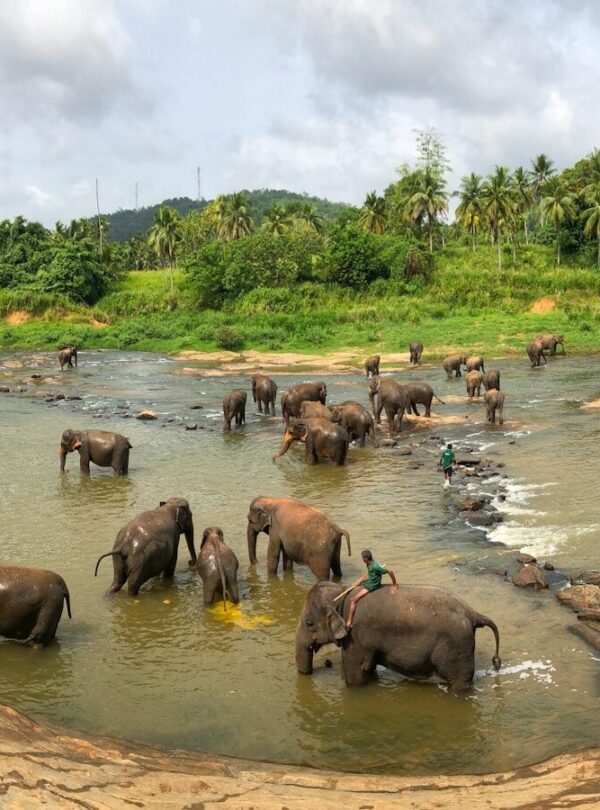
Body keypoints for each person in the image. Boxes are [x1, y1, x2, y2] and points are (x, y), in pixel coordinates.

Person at [345, 549, 397, 629]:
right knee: (360, 580)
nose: (362, 559)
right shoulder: (370, 563)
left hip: (371, 585)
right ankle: (360, 581)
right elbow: (370, 574)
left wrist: (394, 584)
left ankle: (349, 622)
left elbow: (390, 572)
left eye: (362, 558)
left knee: (353, 600)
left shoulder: (375, 566)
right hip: (370, 580)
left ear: (366, 559)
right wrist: (360, 581)